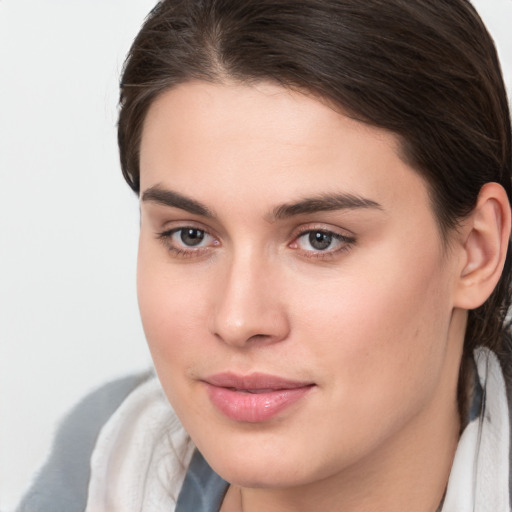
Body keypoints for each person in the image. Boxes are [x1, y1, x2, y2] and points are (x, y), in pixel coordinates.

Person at [18, 0, 512, 511]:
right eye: (189, 235)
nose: (237, 320)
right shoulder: (95, 461)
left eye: (320, 239)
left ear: (477, 251)